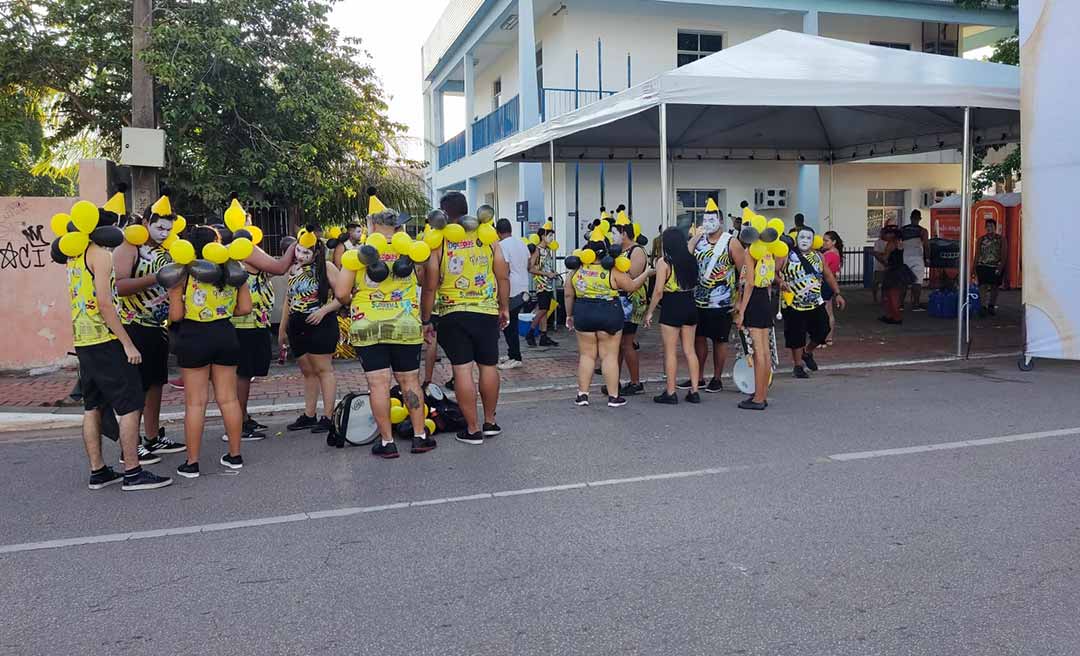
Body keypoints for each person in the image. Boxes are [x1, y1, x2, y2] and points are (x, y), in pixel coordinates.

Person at [66, 195, 173, 491]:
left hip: (84, 339)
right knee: (130, 405)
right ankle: (133, 471)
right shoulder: (100, 255)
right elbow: (105, 303)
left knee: (93, 406)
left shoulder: (75, 255)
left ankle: (98, 471)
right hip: (106, 338)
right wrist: (127, 343)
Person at [334, 206, 437, 458]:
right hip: (405, 324)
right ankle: (419, 436)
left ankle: (387, 442)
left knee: (378, 384)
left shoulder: (358, 254)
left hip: (368, 325)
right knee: (410, 381)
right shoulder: (411, 250)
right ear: (397, 226)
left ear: (371, 225)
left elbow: (340, 293)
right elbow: (427, 279)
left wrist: (355, 299)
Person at [421, 194, 510, 445]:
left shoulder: (441, 241)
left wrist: (425, 319)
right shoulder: (487, 236)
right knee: (488, 366)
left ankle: (472, 430)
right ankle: (490, 421)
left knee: (462, 369)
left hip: (452, 313)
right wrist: (504, 307)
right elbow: (502, 274)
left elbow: (429, 285)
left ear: (444, 214)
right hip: (486, 311)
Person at [169, 225, 252, 478]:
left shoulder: (184, 274)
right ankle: (235, 455)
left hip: (193, 336)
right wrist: (222, 313)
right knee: (228, 399)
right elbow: (245, 307)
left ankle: (192, 463)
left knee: (195, 403)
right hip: (225, 334)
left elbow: (175, 315)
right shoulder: (233, 272)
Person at [114, 198, 185, 462]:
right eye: (160, 228)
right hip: (135, 327)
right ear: (146, 223)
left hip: (158, 327)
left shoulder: (167, 250)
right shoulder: (130, 246)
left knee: (156, 384)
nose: (165, 233)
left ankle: (153, 438)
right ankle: (129, 448)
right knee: (137, 388)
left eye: (169, 229)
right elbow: (118, 286)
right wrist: (156, 278)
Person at [229, 214, 296, 441]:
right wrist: (294, 245)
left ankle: (243, 417)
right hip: (245, 324)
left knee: (245, 374)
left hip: (253, 322)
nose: (251, 222)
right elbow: (279, 267)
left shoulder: (241, 249)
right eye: (247, 219)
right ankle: (237, 423)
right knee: (242, 374)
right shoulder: (244, 249)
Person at [564, 241, 651, 407]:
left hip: (583, 311)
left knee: (586, 355)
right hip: (609, 312)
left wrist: (569, 315)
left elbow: (568, 294)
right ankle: (613, 397)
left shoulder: (576, 270)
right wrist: (646, 273)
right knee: (609, 356)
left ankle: (582, 394)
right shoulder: (612, 270)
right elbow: (632, 286)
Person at [281, 230, 342, 434]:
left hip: (321, 323)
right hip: (297, 325)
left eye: (305, 252)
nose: (300, 255)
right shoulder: (293, 269)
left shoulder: (327, 268)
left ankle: (328, 416)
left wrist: (323, 311)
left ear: (316, 253)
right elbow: (288, 301)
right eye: (298, 250)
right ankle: (309, 415)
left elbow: (344, 296)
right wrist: (283, 328)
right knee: (307, 371)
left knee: (323, 369)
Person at [682, 198, 743, 393]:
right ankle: (697, 376)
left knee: (719, 340)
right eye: (705, 219)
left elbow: (744, 273)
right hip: (698, 299)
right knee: (698, 339)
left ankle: (717, 378)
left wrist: (739, 300)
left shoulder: (731, 242)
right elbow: (684, 258)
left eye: (712, 219)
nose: (708, 223)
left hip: (722, 302)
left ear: (720, 221)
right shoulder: (699, 240)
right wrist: (694, 237)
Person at [645, 227, 702, 404]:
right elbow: (692, 243)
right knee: (689, 350)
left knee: (670, 352)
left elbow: (658, 291)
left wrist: (650, 312)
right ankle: (694, 391)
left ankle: (670, 392)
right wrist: (700, 232)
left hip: (672, 305)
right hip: (690, 303)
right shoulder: (690, 259)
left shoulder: (664, 263)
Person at [780, 227, 845, 379]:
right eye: (801, 237)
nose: (804, 241)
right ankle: (797, 366)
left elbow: (828, 275)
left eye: (808, 238)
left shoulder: (818, 256)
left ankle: (807, 352)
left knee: (823, 329)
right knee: (797, 335)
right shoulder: (787, 256)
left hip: (815, 302)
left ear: (813, 240)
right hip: (793, 304)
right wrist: (780, 281)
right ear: (796, 239)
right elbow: (774, 272)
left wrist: (838, 294)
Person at [733, 233, 779, 410]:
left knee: (758, 352)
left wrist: (742, 311)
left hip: (753, 301)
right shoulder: (767, 251)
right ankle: (762, 394)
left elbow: (749, 283)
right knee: (765, 352)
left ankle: (758, 398)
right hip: (764, 301)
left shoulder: (750, 252)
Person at [612, 221, 649, 395]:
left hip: (631, 302)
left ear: (624, 234)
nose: (612, 237)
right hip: (619, 301)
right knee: (618, 344)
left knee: (627, 343)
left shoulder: (637, 251)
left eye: (614, 233)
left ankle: (636, 383)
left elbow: (632, 276)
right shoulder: (620, 251)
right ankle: (615, 381)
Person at [497, 218, 530, 370]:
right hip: (523, 286)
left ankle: (516, 357)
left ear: (498, 232)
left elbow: (504, 269)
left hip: (511, 289)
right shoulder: (521, 243)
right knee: (512, 322)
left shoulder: (501, 246)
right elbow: (528, 264)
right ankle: (512, 354)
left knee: (509, 324)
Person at [526, 228, 559, 347]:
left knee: (545, 310)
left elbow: (545, 266)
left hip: (548, 284)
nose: (551, 238)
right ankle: (530, 332)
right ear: (542, 236)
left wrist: (552, 272)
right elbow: (531, 268)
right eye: (549, 235)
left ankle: (543, 336)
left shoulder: (548, 250)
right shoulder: (537, 250)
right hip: (541, 284)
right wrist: (547, 274)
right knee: (543, 309)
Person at [877, 226, 911, 325]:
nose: (883, 236)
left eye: (885, 234)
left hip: (893, 271)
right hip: (900, 270)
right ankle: (892, 315)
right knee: (894, 294)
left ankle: (895, 317)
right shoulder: (900, 242)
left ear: (891, 234)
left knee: (891, 295)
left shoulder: (891, 243)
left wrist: (877, 254)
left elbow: (885, 258)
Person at [975, 218, 1006, 316]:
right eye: (987, 226)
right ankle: (983, 306)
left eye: (991, 226)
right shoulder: (981, 239)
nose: (989, 228)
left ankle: (991, 305)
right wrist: (974, 267)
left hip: (995, 266)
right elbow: (977, 254)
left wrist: (1000, 267)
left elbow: (1004, 254)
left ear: (995, 228)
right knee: (982, 286)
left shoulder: (1001, 239)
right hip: (983, 266)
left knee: (995, 287)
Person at [901, 210, 930, 310]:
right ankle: (916, 304)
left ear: (910, 217)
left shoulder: (903, 230)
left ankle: (901, 305)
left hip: (905, 257)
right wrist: (927, 258)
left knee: (904, 282)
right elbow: (926, 245)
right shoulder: (922, 231)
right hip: (917, 257)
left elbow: (897, 243)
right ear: (919, 219)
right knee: (917, 282)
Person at [821, 230, 844, 346]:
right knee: (829, 311)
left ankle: (824, 337)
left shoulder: (829, 254)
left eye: (826, 240)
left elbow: (821, 269)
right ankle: (828, 337)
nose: (824, 242)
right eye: (823, 240)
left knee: (825, 312)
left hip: (825, 283)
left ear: (833, 242)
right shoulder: (836, 253)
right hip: (830, 284)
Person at [871, 226, 888, 304]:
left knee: (885, 283)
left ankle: (883, 298)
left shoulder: (890, 242)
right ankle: (875, 297)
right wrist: (884, 261)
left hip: (887, 266)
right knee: (876, 282)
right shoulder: (878, 242)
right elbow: (876, 253)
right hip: (879, 266)